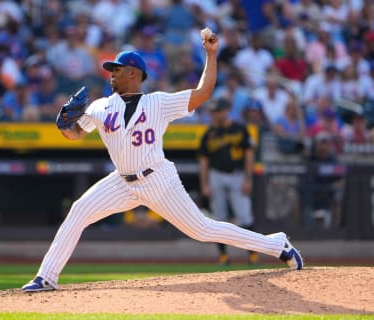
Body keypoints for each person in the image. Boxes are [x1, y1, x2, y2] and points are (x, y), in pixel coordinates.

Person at [22, 29, 303, 292]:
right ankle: (46, 276)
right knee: (79, 210)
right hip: (121, 181)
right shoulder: (100, 105)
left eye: (116, 70)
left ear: (133, 73)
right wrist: (63, 125)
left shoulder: (158, 102)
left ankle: (276, 244)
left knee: (203, 230)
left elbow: (203, 93)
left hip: (158, 179)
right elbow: (75, 135)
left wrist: (211, 55)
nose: (111, 75)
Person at [198, 97, 258, 265]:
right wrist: (205, 184)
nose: (215, 115)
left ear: (226, 111)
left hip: (237, 175)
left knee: (245, 216)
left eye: (218, 111)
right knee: (219, 219)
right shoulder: (209, 134)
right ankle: (223, 255)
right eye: (213, 112)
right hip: (216, 175)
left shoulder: (239, 129)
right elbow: (203, 161)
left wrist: (248, 178)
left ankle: (252, 254)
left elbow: (249, 154)